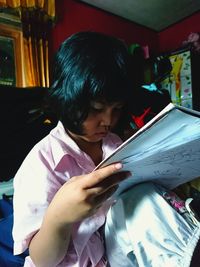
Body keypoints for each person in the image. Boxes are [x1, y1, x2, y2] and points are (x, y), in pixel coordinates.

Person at [12, 31, 200, 267]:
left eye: (117, 109)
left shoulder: (116, 144)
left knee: (144, 197)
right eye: (96, 108)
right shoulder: (41, 164)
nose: (108, 120)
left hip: (113, 255)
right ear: (67, 100)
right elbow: (42, 259)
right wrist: (58, 217)